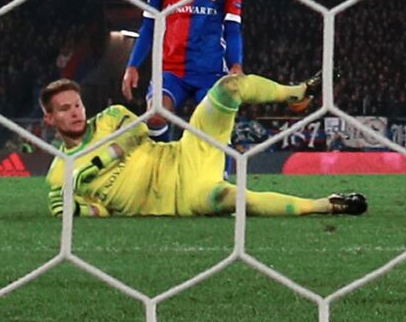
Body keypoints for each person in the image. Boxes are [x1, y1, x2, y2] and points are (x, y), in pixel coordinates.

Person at [38, 73, 367, 218]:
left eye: (77, 104)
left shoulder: (110, 117)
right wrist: (83, 205)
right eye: (65, 109)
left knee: (229, 87)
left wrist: (90, 170)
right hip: (180, 198)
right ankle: (327, 204)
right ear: (50, 119)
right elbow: (91, 212)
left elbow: (141, 133)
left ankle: (295, 94)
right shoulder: (58, 176)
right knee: (235, 200)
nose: (76, 112)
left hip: (185, 155)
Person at [121, 0, 242, 133]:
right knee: (155, 115)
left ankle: (222, 169)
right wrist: (132, 65)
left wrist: (236, 64)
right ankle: (162, 164)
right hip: (171, 70)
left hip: (211, 72)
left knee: (215, 125)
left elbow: (233, 30)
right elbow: (149, 27)